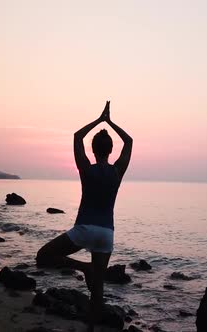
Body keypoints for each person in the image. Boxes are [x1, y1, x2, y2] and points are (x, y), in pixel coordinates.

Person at [36, 100, 133, 331]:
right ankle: (91, 327)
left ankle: (83, 268)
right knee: (97, 288)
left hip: (84, 230)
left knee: (44, 256)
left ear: (93, 150)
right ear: (110, 150)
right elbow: (129, 141)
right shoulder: (117, 171)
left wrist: (99, 120)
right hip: (106, 233)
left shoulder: (86, 169)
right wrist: (111, 122)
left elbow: (77, 136)